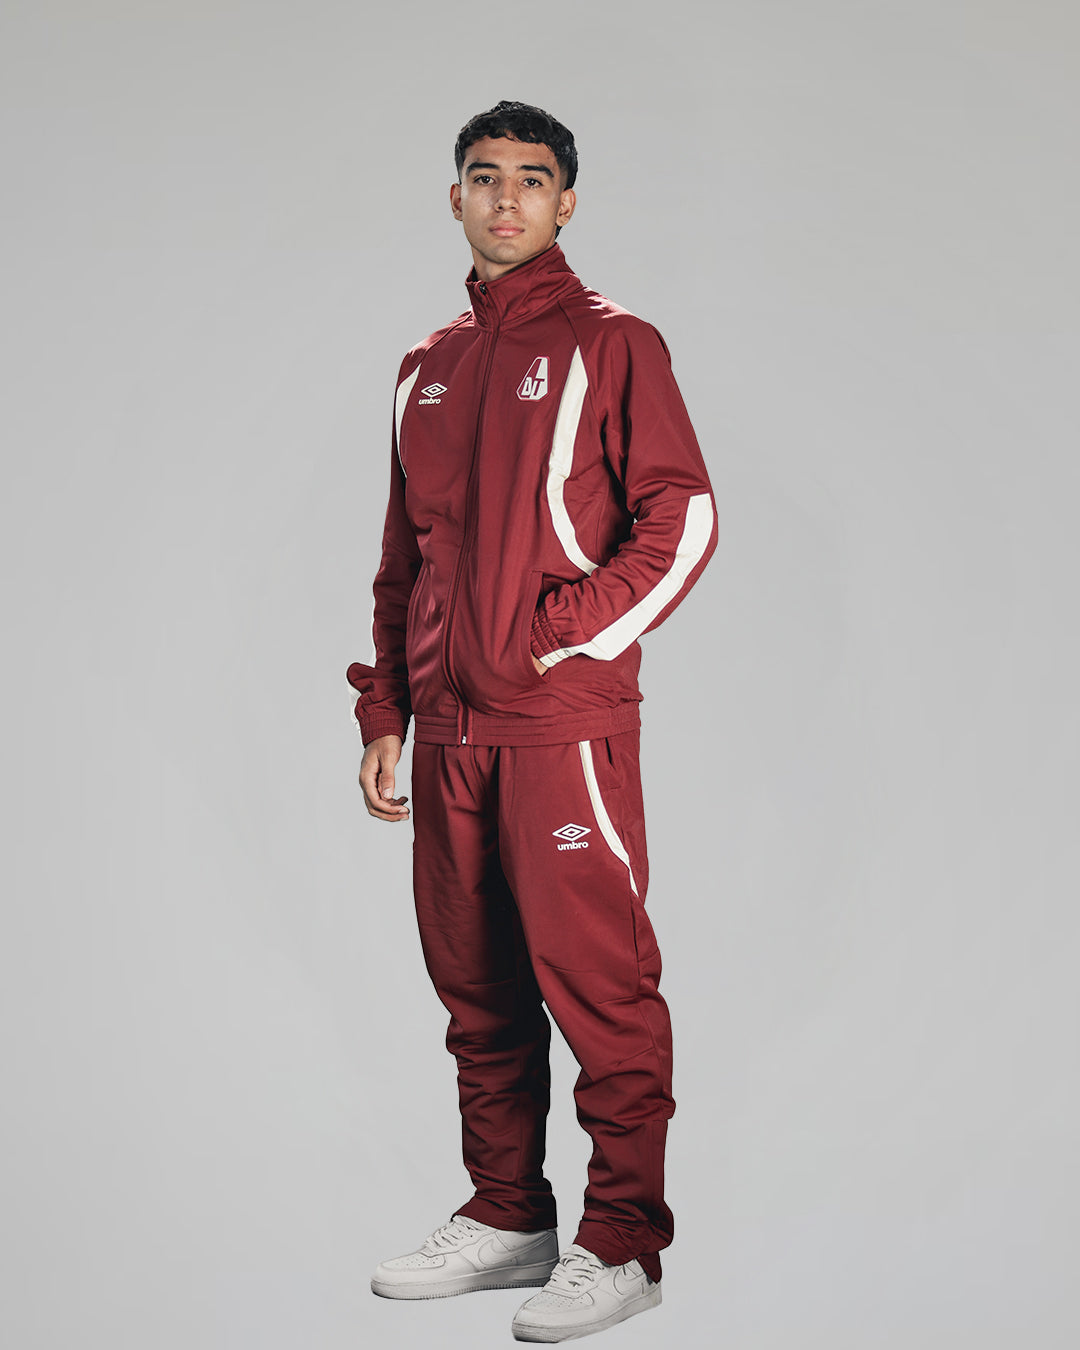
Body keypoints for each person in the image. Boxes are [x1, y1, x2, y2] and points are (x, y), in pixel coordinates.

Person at [347, 100, 717, 1343]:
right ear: (454, 197)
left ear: (566, 203)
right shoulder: (427, 366)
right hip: (448, 739)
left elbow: (684, 518)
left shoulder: (615, 344)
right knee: (477, 994)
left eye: (532, 179)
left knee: (600, 991)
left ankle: (625, 1243)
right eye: (484, 176)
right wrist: (388, 707)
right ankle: (509, 1215)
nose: (506, 198)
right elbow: (406, 559)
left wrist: (557, 636)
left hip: (563, 730)